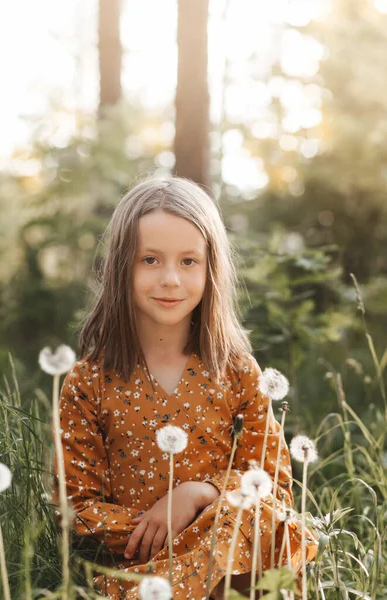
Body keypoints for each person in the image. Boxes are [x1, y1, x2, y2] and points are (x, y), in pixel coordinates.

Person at [53, 177, 317, 599]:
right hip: (144, 567)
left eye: (189, 261)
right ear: (122, 265)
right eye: (151, 260)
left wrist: (199, 495)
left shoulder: (236, 371)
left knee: (266, 520)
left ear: (212, 267)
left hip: (235, 554)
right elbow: (76, 506)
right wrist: (158, 531)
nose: (171, 279)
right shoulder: (89, 381)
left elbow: (272, 484)